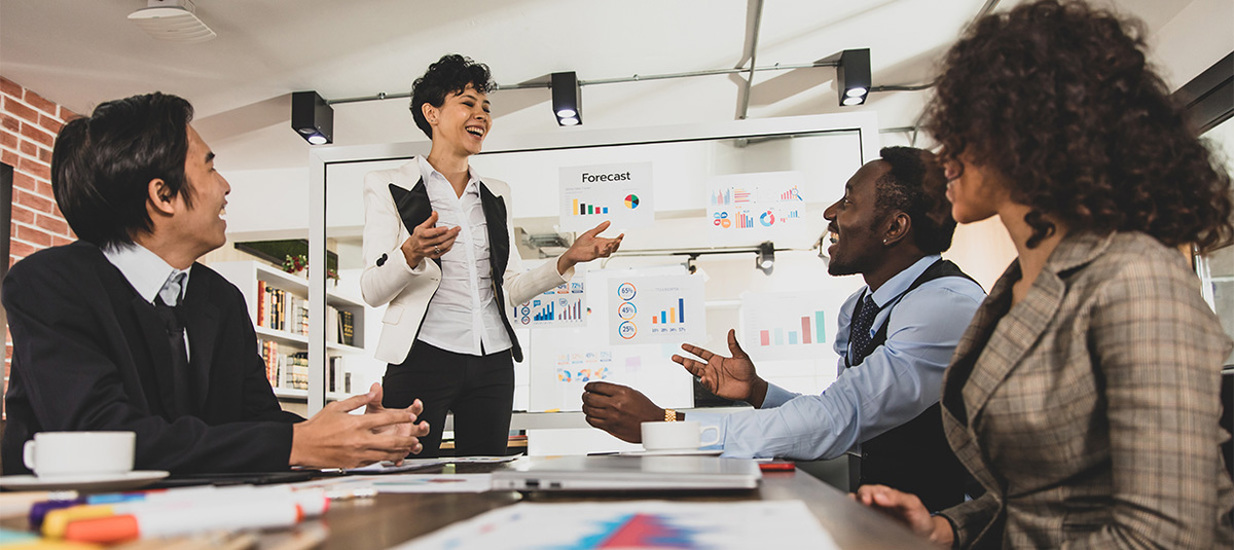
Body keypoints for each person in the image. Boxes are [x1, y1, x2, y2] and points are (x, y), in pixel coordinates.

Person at [853, 2, 1234, 547]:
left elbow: (1165, 536)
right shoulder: (1015, 287)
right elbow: (1040, 498)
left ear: (1028, 132)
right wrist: (945, 528)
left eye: (964, 126)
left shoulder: (1136, 281)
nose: (945, 155)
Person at [1, 93, 429, 475]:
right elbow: (103, 438)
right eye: (210, 168)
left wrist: (359, 436)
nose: (225, 186)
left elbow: (255, 422)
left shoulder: (220, 298)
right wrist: (298, 444)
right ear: (162, 196)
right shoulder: (48, 285)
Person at [583, 146, 986, 510]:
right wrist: (759, 392)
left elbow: (838, 418)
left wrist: (665, 426)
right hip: (891, 521)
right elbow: (860, 421)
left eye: (848, 201)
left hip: (949, 527)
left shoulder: (943, 305)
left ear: (894, 228)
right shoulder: (862, 306)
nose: (830, 213)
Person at [361, 54, 623, 457]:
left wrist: (567, 259)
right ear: (431, 113)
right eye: (467, 103)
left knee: (487, 478)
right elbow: (372, 290)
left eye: (486, 107)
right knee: (404, 476)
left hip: (493, 360)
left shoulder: (496, 193)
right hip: (421, 355)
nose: (480, 115)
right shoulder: (389, 185)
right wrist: (409, 253)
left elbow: (511, 288)